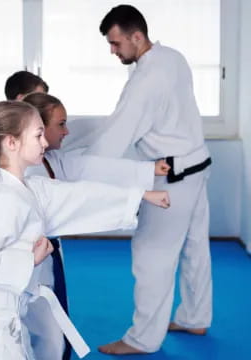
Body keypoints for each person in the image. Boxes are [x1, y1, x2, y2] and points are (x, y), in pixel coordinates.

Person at [0, 100, 170, 359]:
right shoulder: (5, 200)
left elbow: (80, 195)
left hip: (3, 312)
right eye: (38, 135)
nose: (45, 142)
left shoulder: (30, 188)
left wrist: (139, 195)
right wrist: (30, 259)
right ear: (12, 142)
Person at [74, 5, 212, 355]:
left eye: (116, 43)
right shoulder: (172, 57)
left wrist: (78, 175)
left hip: (173, 176)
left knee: (151, 254)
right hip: (198, 163)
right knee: (195, 247)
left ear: (137, 36)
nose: (112, 51)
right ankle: (195, 317)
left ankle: (142, 339)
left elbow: (114, 139)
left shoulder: (145, 81)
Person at [22, 92, 170, 359]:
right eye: (62, 124)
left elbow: (89, 168)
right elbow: (80, 197)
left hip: (41, 260)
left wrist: (146, 172)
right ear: (40, 129)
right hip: (24, 265)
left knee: (50, 336)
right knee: (44, 336)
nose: (67, 132)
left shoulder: (49, 161)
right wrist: (139, 195)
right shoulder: (30, 173)